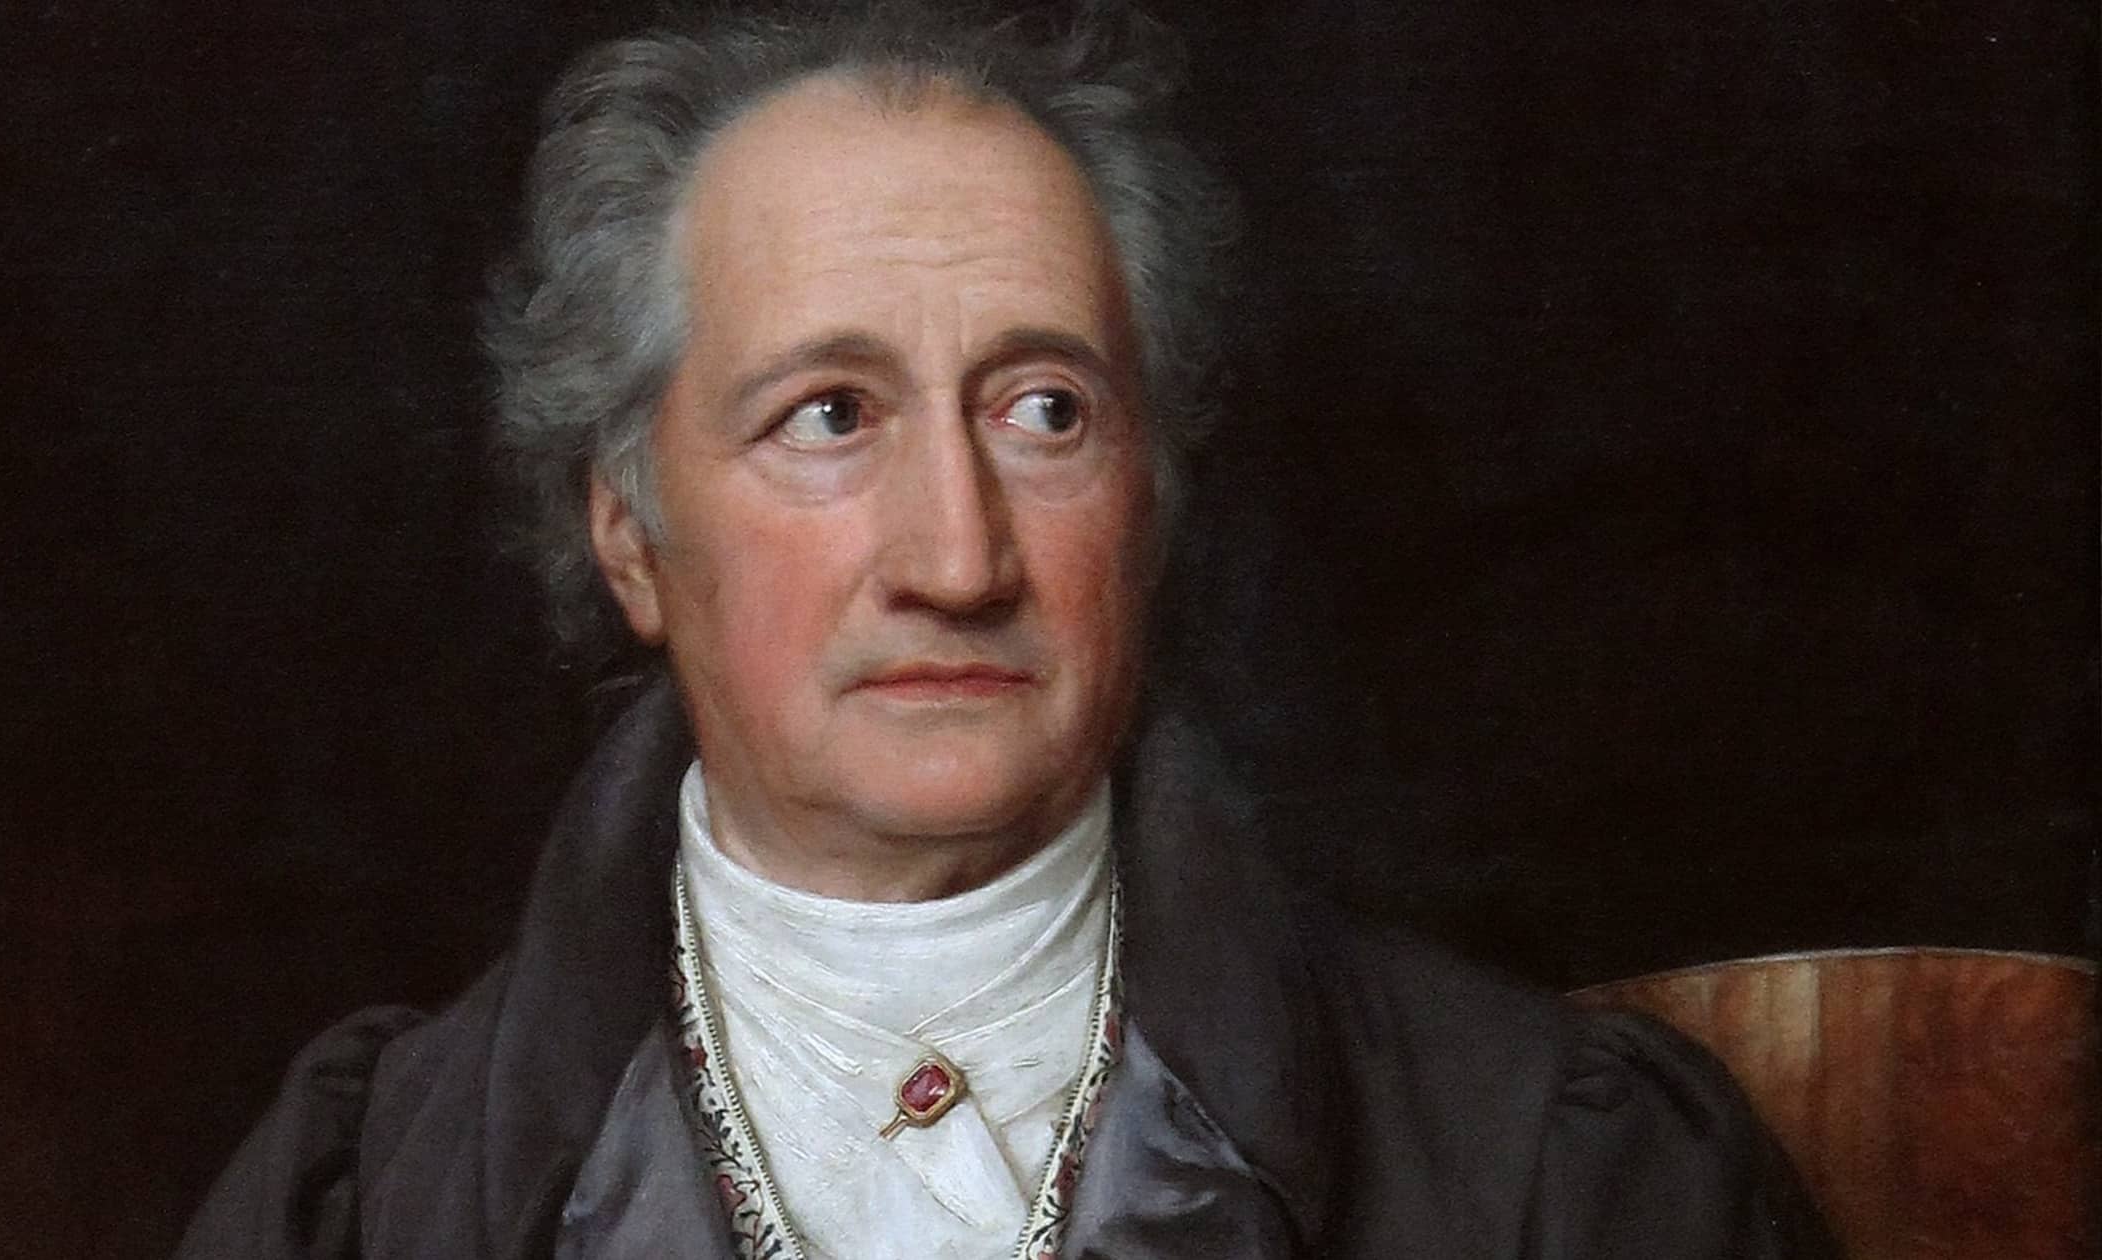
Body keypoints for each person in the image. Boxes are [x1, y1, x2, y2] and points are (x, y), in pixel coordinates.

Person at [177, 4, 1835, 1257]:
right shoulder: (364, 1196)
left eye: (1045, 409)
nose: (959, 559)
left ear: (1149, 497)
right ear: (630, 533)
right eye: (830, 415)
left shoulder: (1556, 1171)